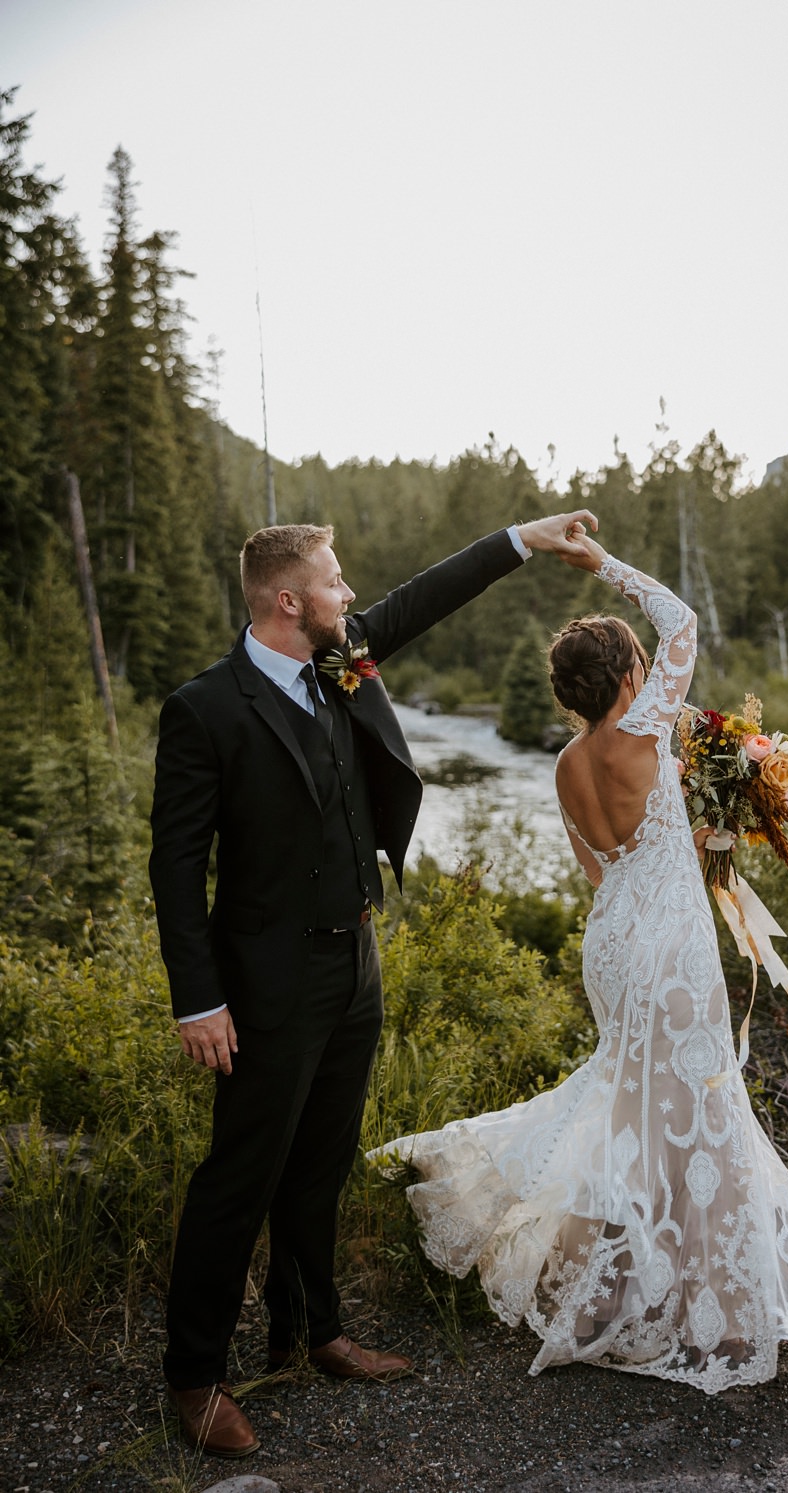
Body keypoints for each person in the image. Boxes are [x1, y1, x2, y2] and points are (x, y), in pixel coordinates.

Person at [369, 530, 788, 1389]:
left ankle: (613, 1289)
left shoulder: (567, 763)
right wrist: (602, 567)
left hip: (614, 942)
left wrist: (696, 837)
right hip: (670, 946)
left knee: (636, 1112)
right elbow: (684, 617)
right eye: (639, 662)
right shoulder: (643, 728)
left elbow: (603, 868)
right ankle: (709, 1306)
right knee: (699, 1120)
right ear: (628, 676)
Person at [150, 512, 602, 1457]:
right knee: (240, 1175)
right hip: (264, 982)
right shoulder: (208, 708)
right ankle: (194, 1379)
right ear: (289, 601)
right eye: (335, 581)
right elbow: (175, 865)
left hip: (353, 961)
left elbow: (426, 595)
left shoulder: (338, 658)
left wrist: (525, 537)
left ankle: (313, 1331)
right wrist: (200, 999)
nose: (350, 595)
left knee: (321, 1160)